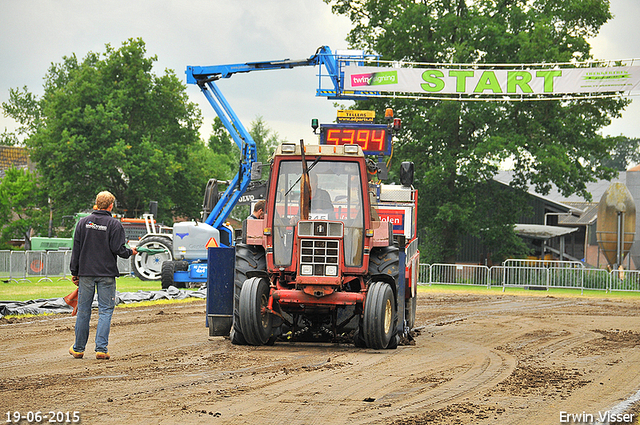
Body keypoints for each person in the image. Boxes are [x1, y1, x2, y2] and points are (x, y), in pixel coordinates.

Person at [69, 191, 137, 360]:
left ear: (96, 204)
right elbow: (118, 250)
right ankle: (101, 349)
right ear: (111, 206)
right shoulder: (114, 224)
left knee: (83, 311)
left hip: (85, 273)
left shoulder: (83, 223)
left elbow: (76, 249)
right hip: (106, 274)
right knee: (105, 311)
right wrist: (131, 252)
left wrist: (74, 272)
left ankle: (78, 349)